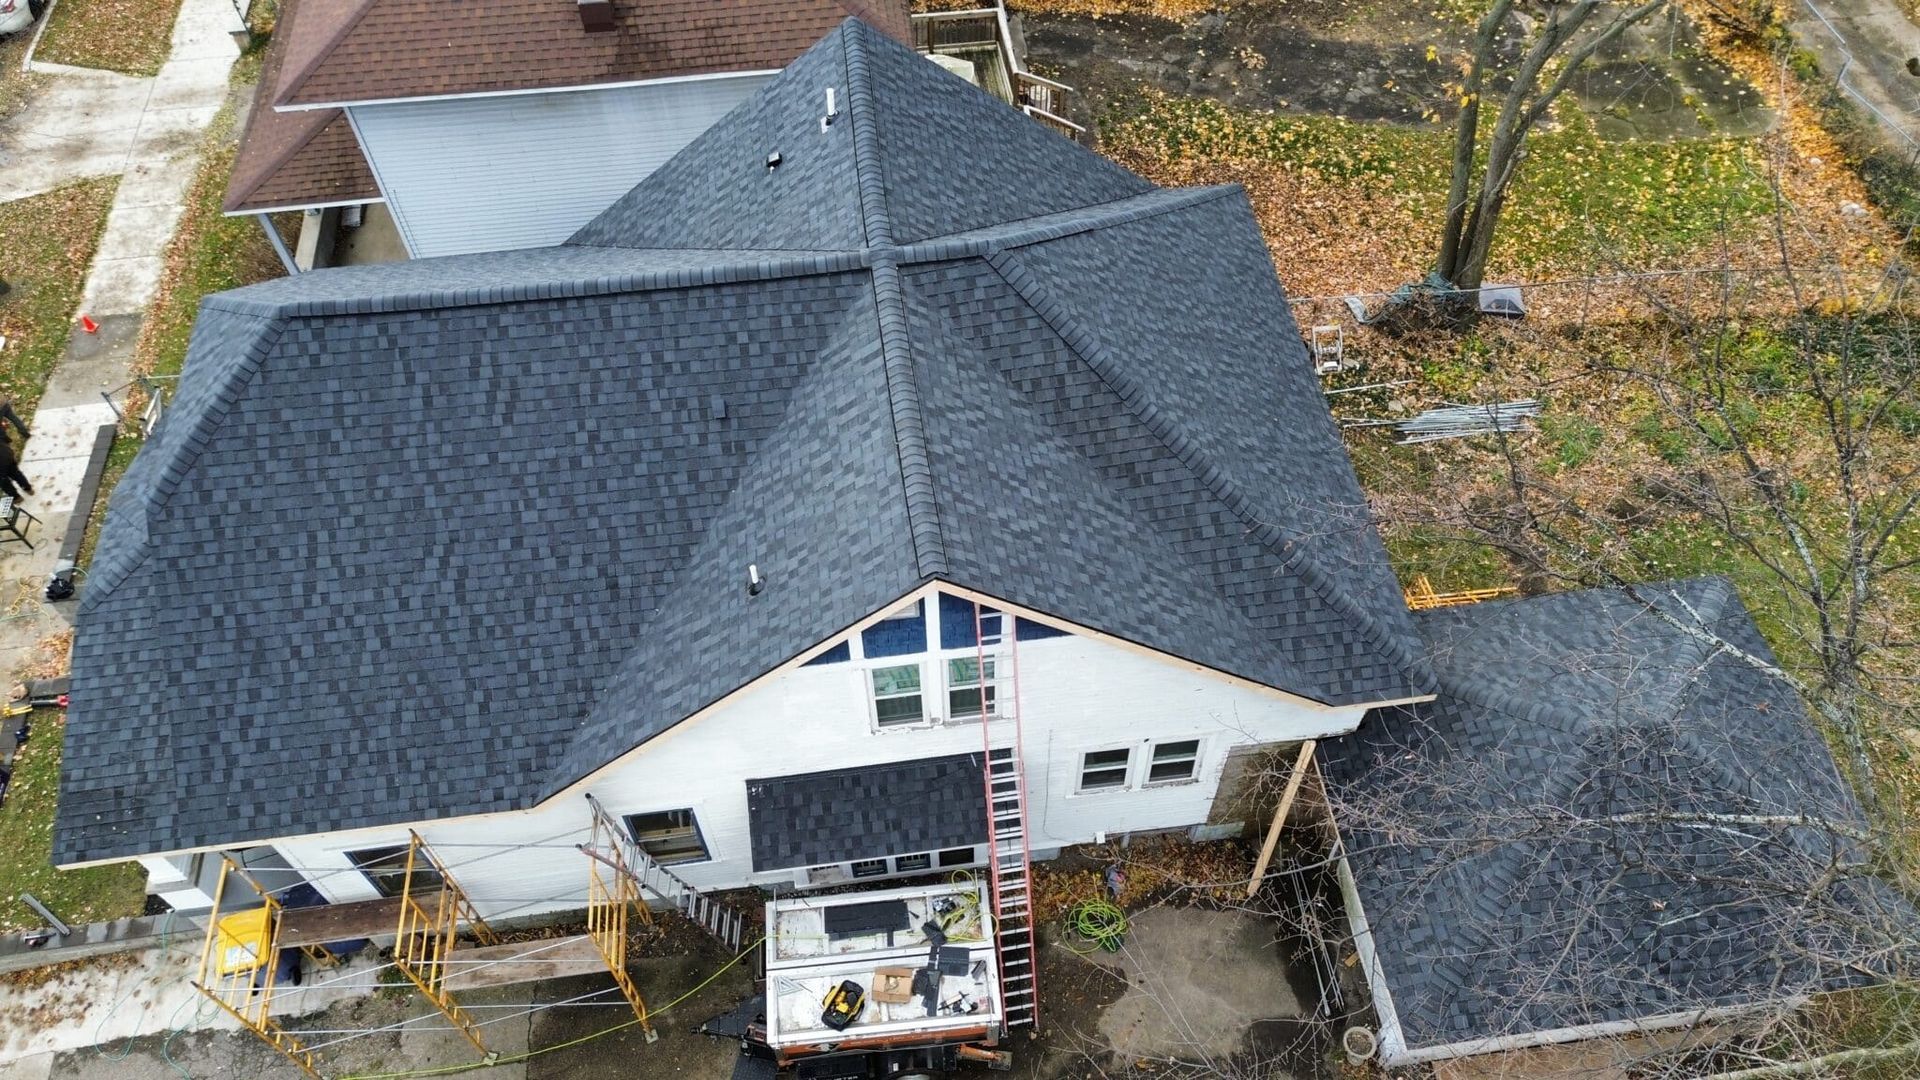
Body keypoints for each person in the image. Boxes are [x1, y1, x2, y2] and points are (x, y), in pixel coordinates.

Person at [0, 426, 32, 503]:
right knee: (16, 473)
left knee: (4, 483)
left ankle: (16, 498)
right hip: (6, 454)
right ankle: (28, 489)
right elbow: (2, 433)